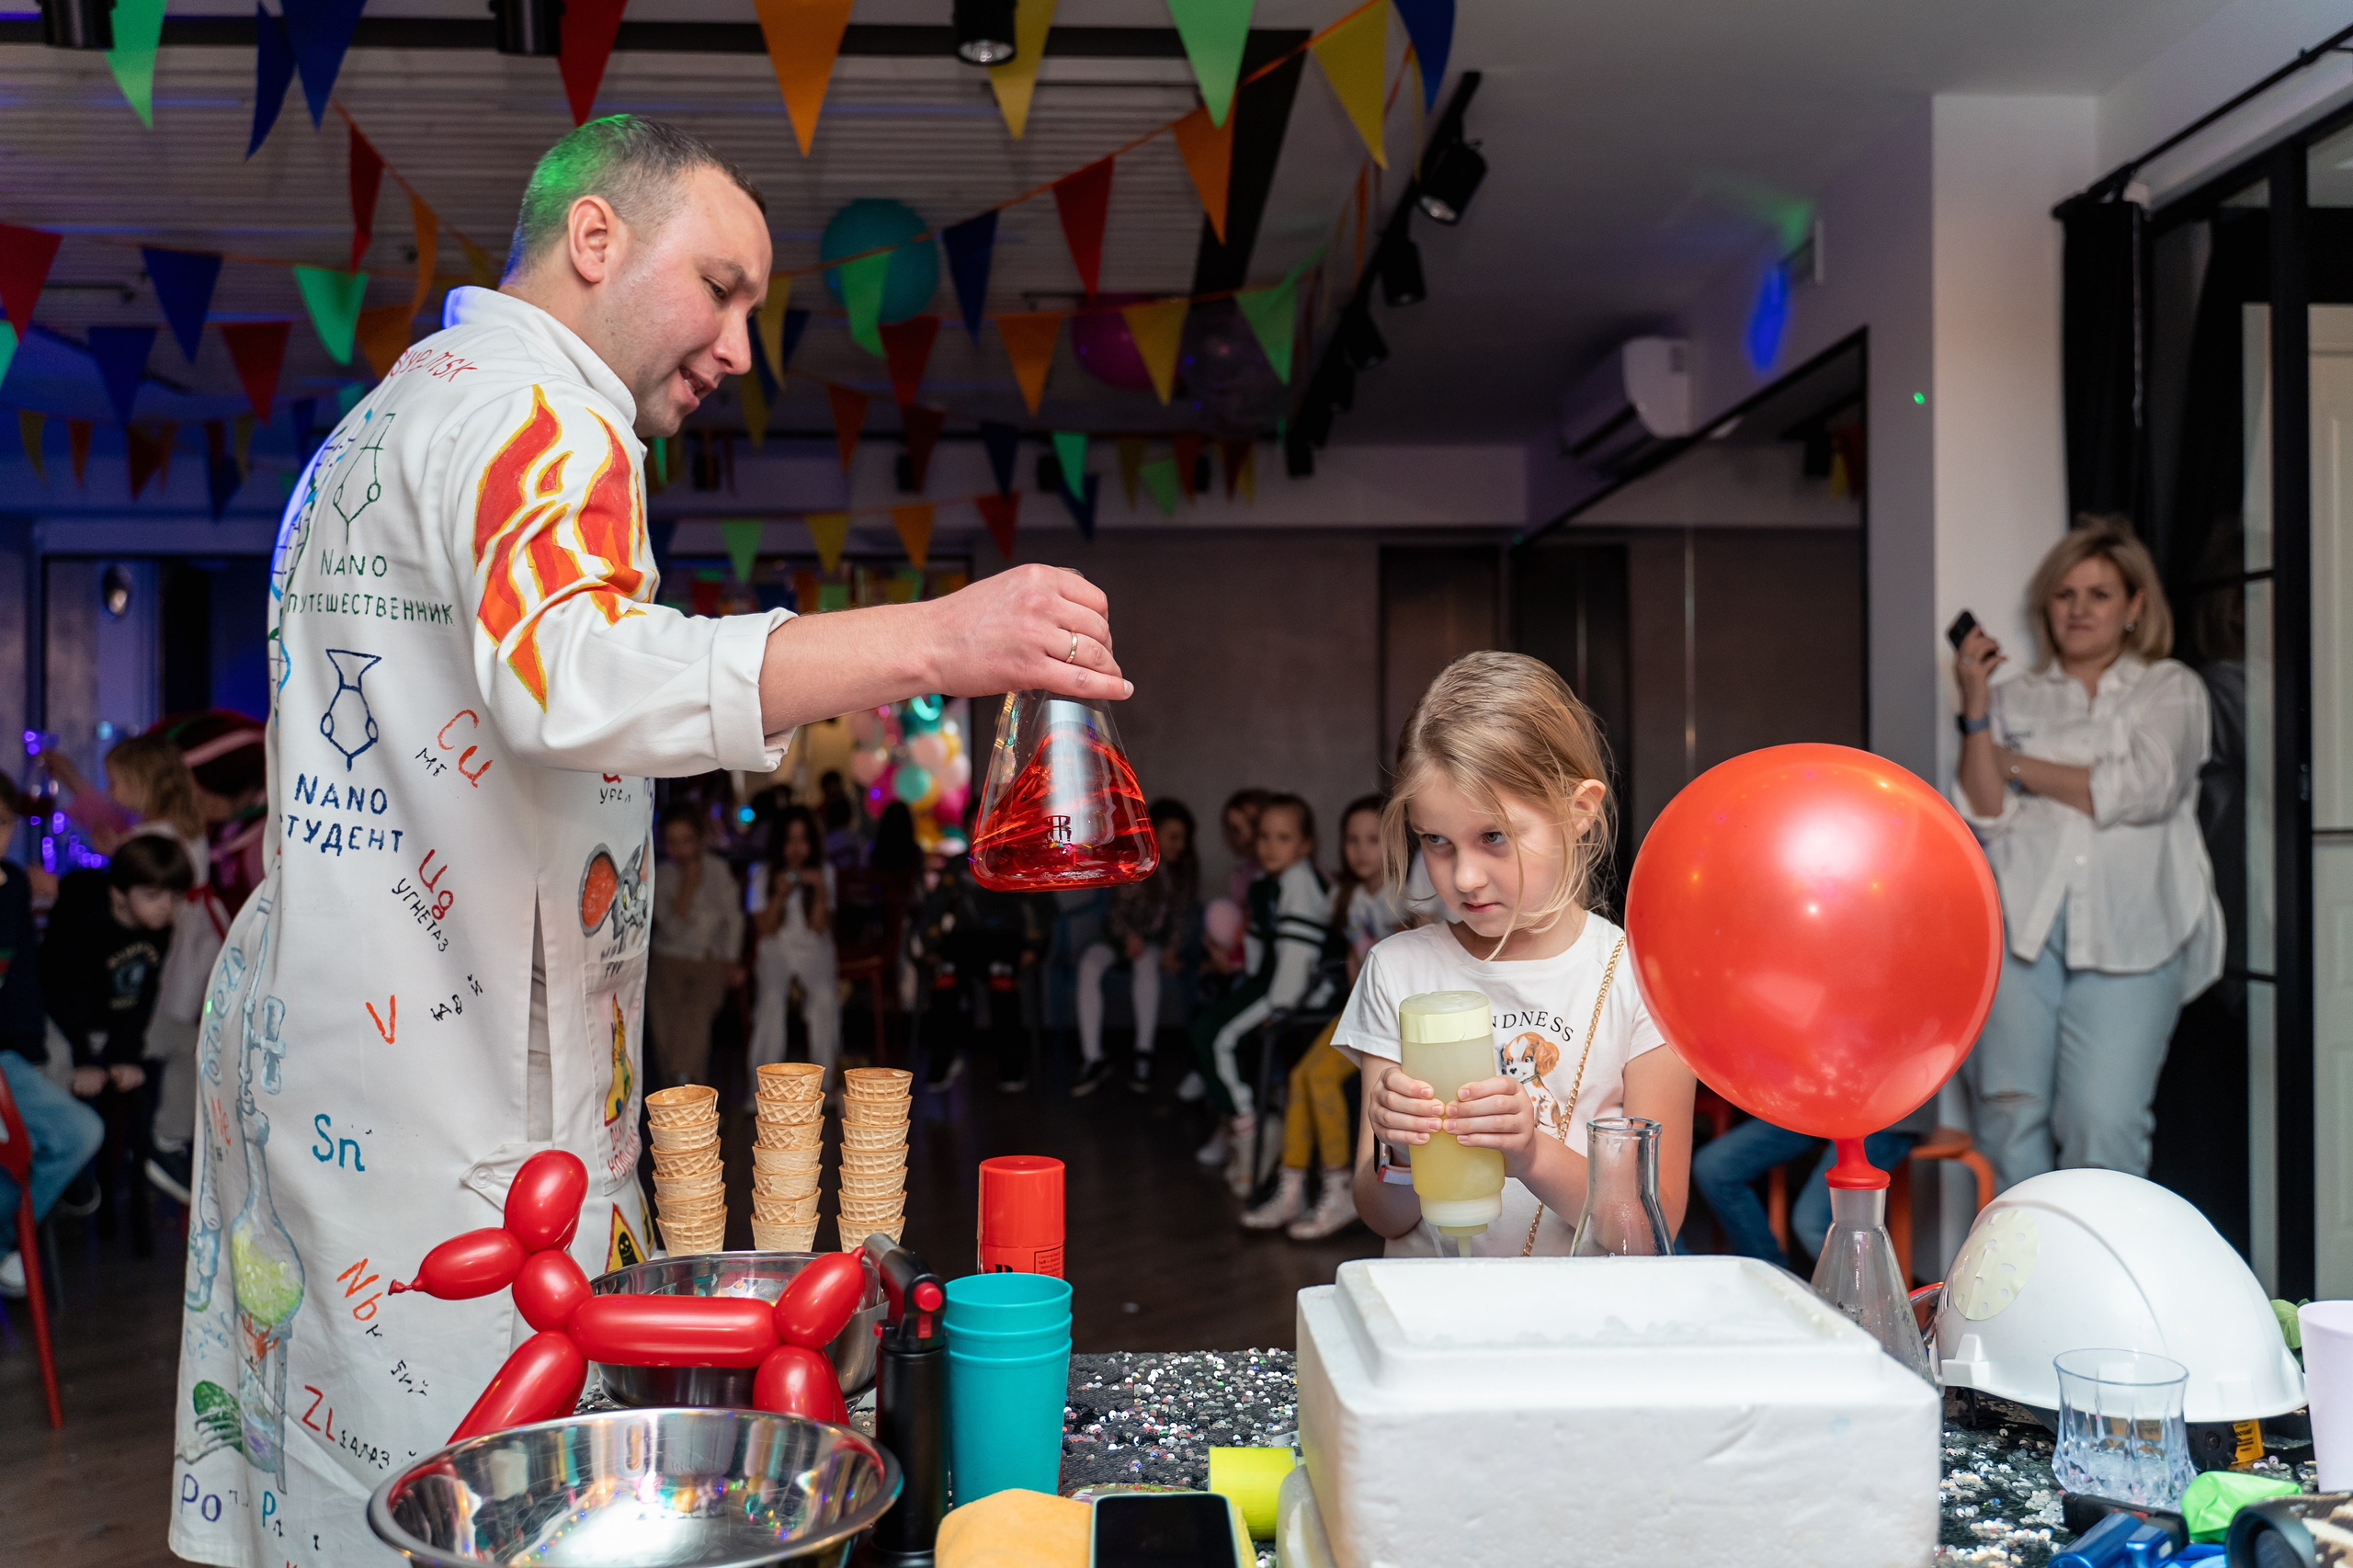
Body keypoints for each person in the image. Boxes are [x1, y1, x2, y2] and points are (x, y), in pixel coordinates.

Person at [171, 113, 1127, 1568]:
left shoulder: (395, 412)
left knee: (348, 1487)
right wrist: (934, 635)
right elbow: (573, 672)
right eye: (724, 287)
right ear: (595, 240)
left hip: (327, 1045)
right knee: (482, 1492)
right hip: (456, 1091)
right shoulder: (548, 414)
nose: (743, 346)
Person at [1339, 652, 1697, 1256]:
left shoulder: (1639, 978)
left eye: (1494, 837)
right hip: (1430, 1332)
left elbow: (1645, 1230)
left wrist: (1530, 1153)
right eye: (1437, 842)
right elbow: (1382, 1216)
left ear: (1579, 812)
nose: (1467, 877)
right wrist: (1398, 1152)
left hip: (1574, 1335)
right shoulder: (1398, 970)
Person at [1951, 520, 2222, 1188]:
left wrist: (2017, 763)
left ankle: (2095, 1283)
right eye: (2065, 594)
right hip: (2020, 928)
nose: (2079, 609)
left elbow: (2140, 789)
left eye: (2099, 594)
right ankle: (2019, 1286)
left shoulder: (2171, 688)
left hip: (2136, 930)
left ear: (2134, 606)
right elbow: (1983, 809)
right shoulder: (2015, 697)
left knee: (2104, 1122)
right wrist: (1978, 712)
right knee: (2008, 1120)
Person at [46, 732, 226, 1205]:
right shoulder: (179, 829)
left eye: (119, 783)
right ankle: (151, 1144)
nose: (115, 793)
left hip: (160, 974)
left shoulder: (153, 844)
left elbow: (122, 850)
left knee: (160, 1029)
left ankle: (138, 1146)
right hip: (148, 978)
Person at [1244, 794, 1402, 1239]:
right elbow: (1354, 961)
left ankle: (1339, 1192)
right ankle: (1292, 1188)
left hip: (1399, 1024)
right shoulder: (1346, 895)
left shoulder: (1406, 895)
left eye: (1373, 840)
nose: (1361, 850)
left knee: (1321, 1078)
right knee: (1300, 1077)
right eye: (1352, 840)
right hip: (1361, 1012)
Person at [41, 834, 193, 1256]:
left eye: (174, 896)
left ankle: (165, 1144)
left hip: (114, 1024)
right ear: (118, 895)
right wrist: (89, 1061)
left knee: (190, 1042)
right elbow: (62, 994)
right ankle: (67, 1168)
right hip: (66, 1022)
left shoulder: (158, 927)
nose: (166, 906)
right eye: (152, 895)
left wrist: (123, 1056)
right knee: (50, 1065)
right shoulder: (81, 917)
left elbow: (142, 998)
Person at [1191, 794, 1335, 1194]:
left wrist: (1282, 1005)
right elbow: (1258, 944)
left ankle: (1249, 1126)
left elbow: (1299, 954)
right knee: (1207, 1028)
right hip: (1266, 980)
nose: (1271, 846)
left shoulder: (1300, 882)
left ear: (1305, 846)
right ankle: (1247, 1120)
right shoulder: (1264, 883)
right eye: (1265, 837)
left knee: (1215, 1036)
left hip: (1295, 989)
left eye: (1283, 838)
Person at [0, 784, 100, 1301]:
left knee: (80, 1131)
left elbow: (23, 982)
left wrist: (32, 1050)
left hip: (11, 1056)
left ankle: (5, 1240)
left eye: (2, 824)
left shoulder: (13, 883)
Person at [1073, 798, 1197, 1097]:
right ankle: (1093, 1057)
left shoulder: (1181, 874)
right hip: (1117, 938)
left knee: (1147, 966)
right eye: (1173, 837)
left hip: (1150, 943)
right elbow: (1115, 911)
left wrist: (1171, 949)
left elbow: (1181, 917)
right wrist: (1128, 936)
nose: (1179, 845)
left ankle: (1144, 1052)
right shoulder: (1132, 862)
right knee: (1089, 966)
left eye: (1183, 838)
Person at [1689, 1117, 1922, 1267]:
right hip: (1815, 1104)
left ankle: (1875, 1315)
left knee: (1814, 1222)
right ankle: (1774, 1277)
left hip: (1884, 1111)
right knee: (1714, 1166)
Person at [648, 804, 745, 1088]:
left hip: (708, 958)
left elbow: (733, 919)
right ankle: (678, 1087)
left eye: (687, 841)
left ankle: (685, 1085)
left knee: (697, 1013)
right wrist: (686, 890)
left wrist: (731, 958)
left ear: (700, 840)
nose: (681, 850)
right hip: (668, 956)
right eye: (673, 842)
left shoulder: (718, 870)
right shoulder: (661, 874)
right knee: (663, 1020)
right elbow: (668, 927)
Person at [747, 805, 839, 1087]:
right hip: (776, 946)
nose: (797, 849)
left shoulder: (826, 871)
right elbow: (764, 929)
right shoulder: (761, 873)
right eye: (790, 841)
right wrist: (778, 894)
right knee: (772, 999)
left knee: (824, 998)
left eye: (803, 840)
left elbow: (819, 927)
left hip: (814, 946)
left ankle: (825, 1085)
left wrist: (820, 890)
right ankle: (762, 1087)